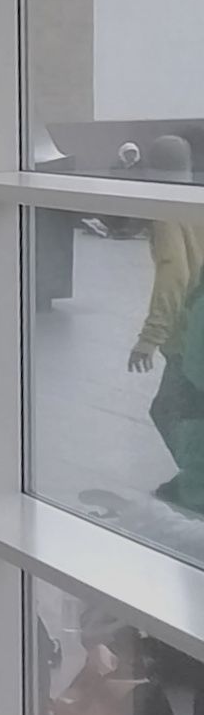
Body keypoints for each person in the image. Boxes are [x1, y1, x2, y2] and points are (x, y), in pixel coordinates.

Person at [127, 138, 204, 513]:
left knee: (169, 409)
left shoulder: (167, 208)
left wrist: (150, 337)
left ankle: (197, 480)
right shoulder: (196, 195)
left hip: (191, 335)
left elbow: (175, 273)